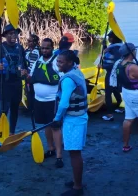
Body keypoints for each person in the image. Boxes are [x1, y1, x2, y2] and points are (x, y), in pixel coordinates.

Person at [53, 50, 88, 196]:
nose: (58, 63)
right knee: (75, 152)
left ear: (69, 62)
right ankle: (76, 180)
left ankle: (78, 187)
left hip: (73, 120)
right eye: (58, 61)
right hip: (81, 117)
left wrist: (56, 119)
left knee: (74, 153)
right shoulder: (77, 72)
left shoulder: (68, 80)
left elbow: (64, 104)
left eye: (61, 62)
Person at [29, 38, 64, 168]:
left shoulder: (56, 61)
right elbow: (31, 78)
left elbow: (63, 79)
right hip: (39, 100)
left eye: (47, 48)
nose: (44, 50)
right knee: (46, 126)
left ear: (52, 48)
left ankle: (59, 156)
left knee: (55, 126)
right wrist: (25, 75)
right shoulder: (37, 61)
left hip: (52, 101)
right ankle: (51, 148)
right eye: (42, 48)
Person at [0, 24, 27, 135]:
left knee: (15, 108)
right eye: (10, 33)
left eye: (15, 33)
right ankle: (1, 131)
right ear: (5, 35)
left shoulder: (20, 48)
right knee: (4, 109)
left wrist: (25, 71)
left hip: (16, 82)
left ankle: (12, 132)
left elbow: (25, 65)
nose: (13, 36)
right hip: (4, 83)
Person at [101, 31, 123, 121]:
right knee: (114, 89)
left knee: (108, 92)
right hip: (112, 73)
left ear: (114, 38)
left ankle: (109, 114)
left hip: (112, 73)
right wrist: (104, 46)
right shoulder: (114, 47)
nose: (108, 38)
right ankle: (120, 104)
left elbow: (116, 63)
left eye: (109, 37)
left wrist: (103, 66)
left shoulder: (117, 48)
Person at [25, 33, 41, 110]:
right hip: (28, 74)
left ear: (34, 42)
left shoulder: (38, 51)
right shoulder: (27, 50)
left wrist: (30, 75)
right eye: (28, 40)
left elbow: (35, 64)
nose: (28, 42)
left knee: (33, 92)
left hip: (34, 75)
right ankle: (31, 108)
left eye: (29, 41)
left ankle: (34, 108)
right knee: (29, 92)